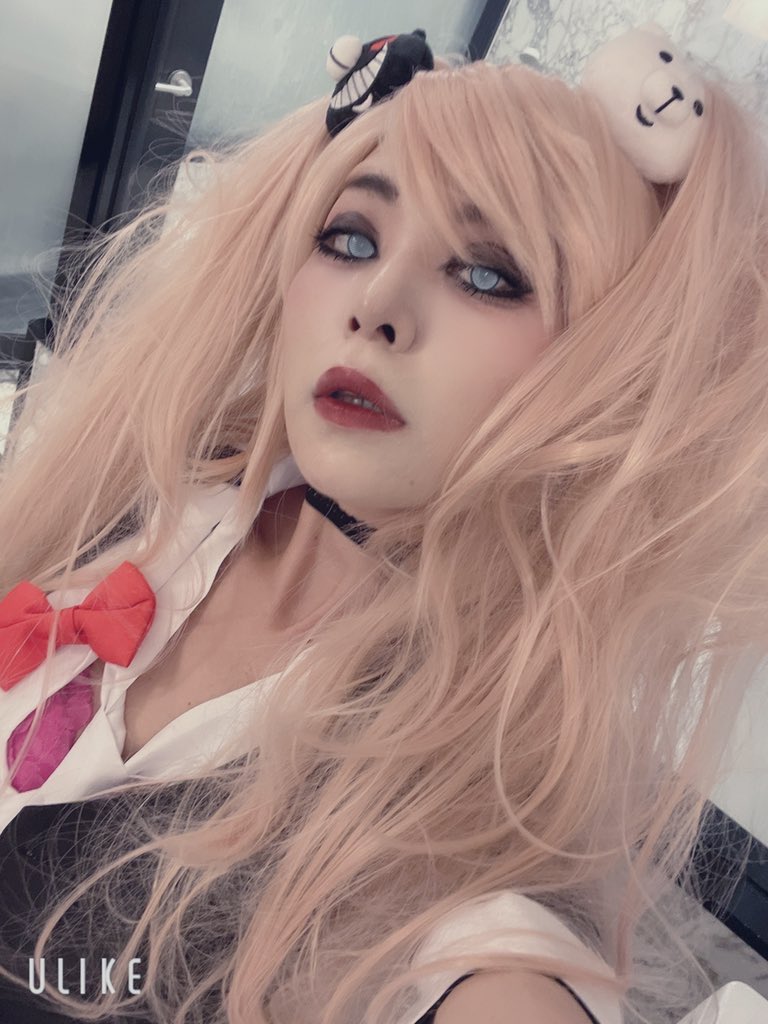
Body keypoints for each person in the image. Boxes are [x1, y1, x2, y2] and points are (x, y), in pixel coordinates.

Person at [0, 21, 766, 1024]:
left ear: (610, 373)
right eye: (352, 237)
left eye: (489, 274)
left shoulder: (462, 918)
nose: (376, 303)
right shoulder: (146, 491)